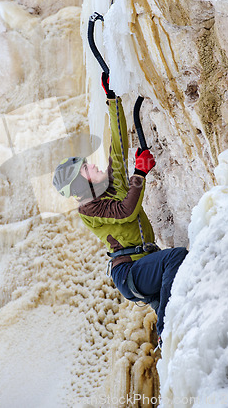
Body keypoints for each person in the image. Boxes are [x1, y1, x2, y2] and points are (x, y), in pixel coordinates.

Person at [53, 74, 188, 348]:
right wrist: (139, 173)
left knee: (183, 280)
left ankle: (176, 337)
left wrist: (112, 99)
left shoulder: (109, 183)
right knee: (175, 258)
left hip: (142, 265)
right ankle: (165, 331)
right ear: (81, 182)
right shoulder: (88, 208)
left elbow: (119, 144)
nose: (93, 166)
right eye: (86, 168)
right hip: (131, 274)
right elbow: (126, 211)